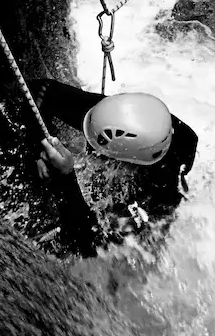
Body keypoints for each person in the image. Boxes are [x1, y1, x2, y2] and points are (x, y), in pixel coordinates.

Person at [27, 78, 198, 258]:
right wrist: (39, 148)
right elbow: (41, 90)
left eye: (101, 155)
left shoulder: (154, 201)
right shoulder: (110, 118)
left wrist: (65, 178)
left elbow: (93, 246)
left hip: (151, 195)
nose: (93, 156)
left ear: (129, 165)